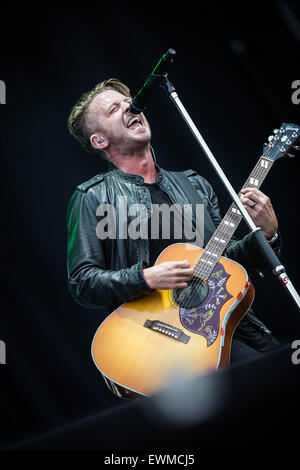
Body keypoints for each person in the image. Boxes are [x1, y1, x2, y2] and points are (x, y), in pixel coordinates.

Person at [66, 78, 281, 377]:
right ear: (100, 140)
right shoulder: (93, 197)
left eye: (129, 102)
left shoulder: (194, 183)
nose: (131, 107)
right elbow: (83, 283)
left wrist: (266, 235)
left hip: (229, 324)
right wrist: (145, 277)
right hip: (159, 340)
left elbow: (224, 261)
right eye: (115, 108)